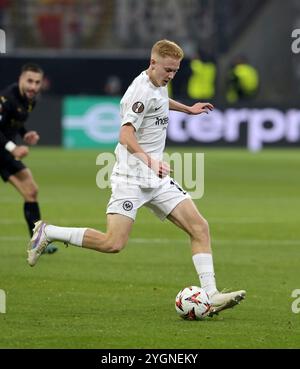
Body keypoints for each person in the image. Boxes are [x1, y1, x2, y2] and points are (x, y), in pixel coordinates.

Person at [27, 40, 245, 316]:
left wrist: (188, 109)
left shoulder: (156, 84)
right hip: (131, 176)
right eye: (167, 69)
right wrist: (150, 160)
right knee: (113, 244)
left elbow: (161, 101)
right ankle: (49, 232)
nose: (171, 75)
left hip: (156, 178)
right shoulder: (140, 92)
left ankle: (211, 294)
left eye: (175, 71)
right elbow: (125, 134)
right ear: (152, 63)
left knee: (200, 227)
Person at [0, 63, 57, 254]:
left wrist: (24, 134)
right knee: (30, 190)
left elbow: (14, 122)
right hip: (5, 149)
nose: (33, 86)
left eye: (37, 82)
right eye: (29, 81)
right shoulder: (6, 99)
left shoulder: (31, 99)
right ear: (20, 80)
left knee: (31, 191)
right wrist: (12, 147)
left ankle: (37, 242)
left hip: (3, 152)